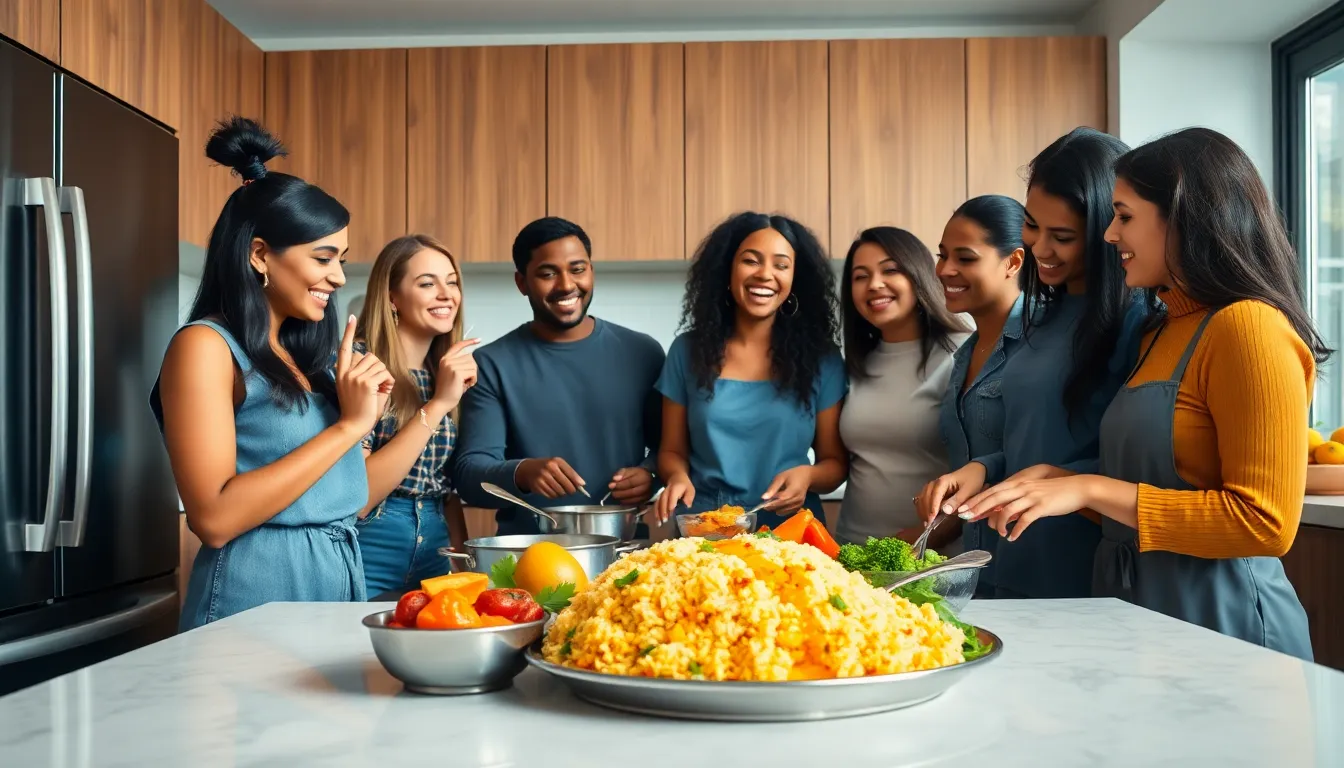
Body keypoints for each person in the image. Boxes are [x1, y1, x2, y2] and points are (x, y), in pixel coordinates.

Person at [958, 128, 1324, 659]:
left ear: (1182, 219)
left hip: (1224, 619)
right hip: (1142, 611)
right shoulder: (1161, 330)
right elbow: (1147, 484)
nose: (1108, 235)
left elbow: (1264, 525)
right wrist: (1060, 480)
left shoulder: (1248, 327)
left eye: (1124, 216)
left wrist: (1088, 489)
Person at [151, 117, 393, 630]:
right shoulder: (204, 347)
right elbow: (213, 520)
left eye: (342, 259)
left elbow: (354, 499)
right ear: (260, 254)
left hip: (339, 577)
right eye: (323, 257)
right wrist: (347, 427)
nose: (339, 276)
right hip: (256, 591)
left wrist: (369, 417)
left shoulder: (308, 360)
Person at [921, 128, 1154, 599]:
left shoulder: (1137, 322)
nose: (1041, 250)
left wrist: (1069, 485)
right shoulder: (1038, 318)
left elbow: (1143, 460)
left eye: (1063, 236)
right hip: (1008, 558)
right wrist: (983, 469)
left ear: (1109, 229)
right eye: (1032, 226)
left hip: (1082, 568)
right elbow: (1037, 441)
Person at [451, 217, 665, 536]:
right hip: (529, 558)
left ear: (591, 270)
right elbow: (469, 475)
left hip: (625, 554)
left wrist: (650, 475)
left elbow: (672, 450)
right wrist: (522, 472)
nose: (566, 285)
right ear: (521, 282)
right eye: (548, 273)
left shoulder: (643, 352)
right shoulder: (491, 364)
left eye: (577, 269)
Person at [653, 212, 848, 529]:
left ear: (795, 278)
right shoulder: (687, 352)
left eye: (781, 265)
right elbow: (671, 450)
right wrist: (676, 476)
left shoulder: (822, 359)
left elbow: (835, 464)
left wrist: (808, 475)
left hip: (791, 524)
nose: (765, 274)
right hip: (707, 523)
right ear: (727, 270)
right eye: (751, 261)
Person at [352, 234, 478, 596]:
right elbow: (359, 496)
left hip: (435, 544)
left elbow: (446, 488)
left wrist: (463, 563)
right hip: (370, 544)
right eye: (427, 283)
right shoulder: (361, 366)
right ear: (392, 297)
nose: (446, 294)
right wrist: (438, 403)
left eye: (452, 282)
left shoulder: (446, 374)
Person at [913, 196, 1027, 593]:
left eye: (965, 258)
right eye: (943, 256)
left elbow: (1054, 454)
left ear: (1013, 262)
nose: (945, 270)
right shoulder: (964, 354)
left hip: (1034, 567)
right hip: (975, 569)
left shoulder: (1042, 344)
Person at [836, 226, 970, 546]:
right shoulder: (856, 362)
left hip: (930, 552)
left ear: (918, 275)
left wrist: (935, 534)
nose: (874, 285)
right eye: (860, 276)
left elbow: (987, 467)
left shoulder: (962, 352)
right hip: (852, 548)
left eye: (890, 270)